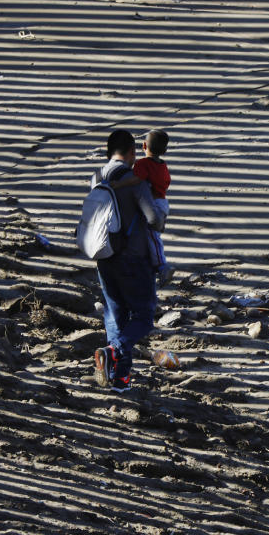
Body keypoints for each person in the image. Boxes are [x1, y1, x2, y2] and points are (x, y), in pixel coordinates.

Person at [93, 130, 166, 393]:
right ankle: (113, 353)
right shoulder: (135, 181)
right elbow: (154, 220)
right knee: (144, 317)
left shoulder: (97, 177)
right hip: (134, 258)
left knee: (115, 315)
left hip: (104, 255)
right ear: (133, 152)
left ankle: (120, 379)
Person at [111, 129, 174, 288]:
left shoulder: (143, 163)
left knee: (153, 235)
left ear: (144, 145)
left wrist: (118, 184)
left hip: (155, 204)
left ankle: (162, 265)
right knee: (154, 234)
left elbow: (136, 179)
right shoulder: (163, 165)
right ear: (165, 151)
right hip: (163, 202)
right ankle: (156, 263)